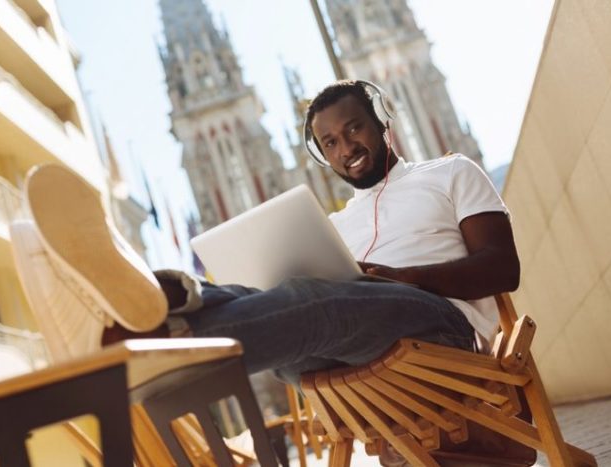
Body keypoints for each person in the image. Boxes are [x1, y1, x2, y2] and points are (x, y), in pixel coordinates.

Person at [25, 79, 519, 387]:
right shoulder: (333, 225)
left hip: (443, 332)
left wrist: (405, 278)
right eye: (330, 142)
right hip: (355, 345)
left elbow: (503, 268)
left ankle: (154, 339)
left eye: (353, 129)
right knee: (262, 304)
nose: (346, 148)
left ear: (381, 121)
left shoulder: (449, 173)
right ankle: (159, 304)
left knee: (314, 303)